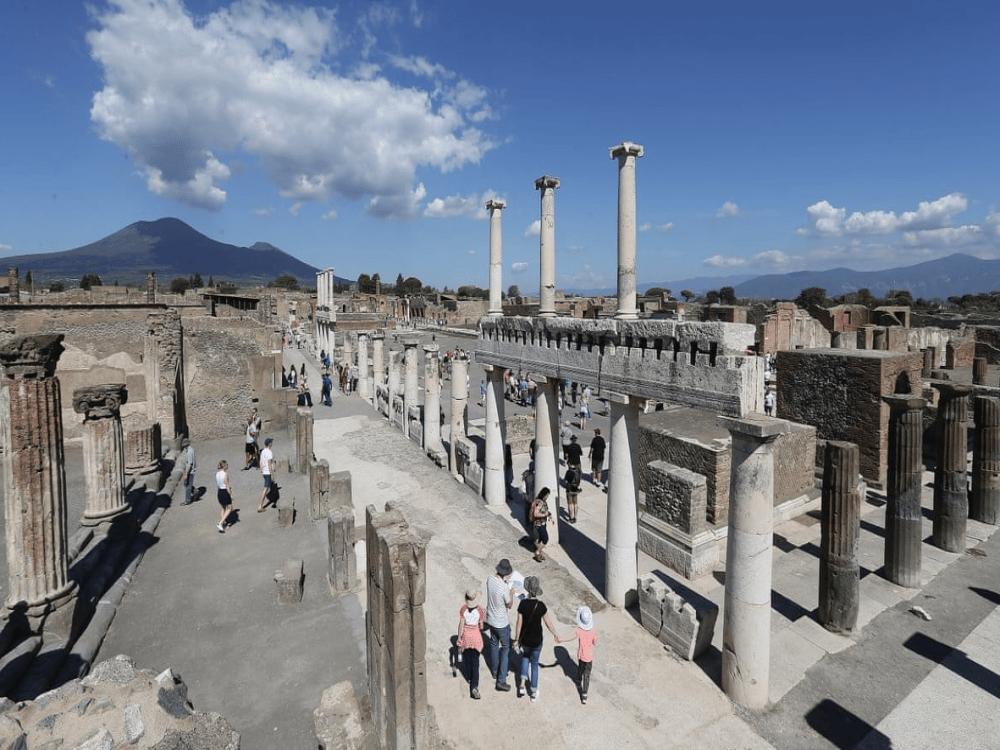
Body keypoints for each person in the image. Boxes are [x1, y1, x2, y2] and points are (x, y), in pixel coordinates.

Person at [513, 576, 560, 701]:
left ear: (527, 590)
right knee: (534, 664)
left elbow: (519, 623)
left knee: (525, 658)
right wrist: (555, 633)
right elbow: (548, 622)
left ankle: (521, 686)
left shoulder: (522, 604)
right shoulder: (541, 606)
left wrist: (517, 639)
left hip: (525, 640)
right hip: (537, 640)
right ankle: (533, 692)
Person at [484, 559, 514, 692]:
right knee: (506, 648)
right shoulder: (504, 588)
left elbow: (495, 588)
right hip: (502, 623)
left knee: (494, 644)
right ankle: (501, 680)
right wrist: (511, 592)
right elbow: (509, 604)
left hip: (490, 619)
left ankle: (495, 672)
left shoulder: (490, 579)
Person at [558, 606, 598, 704]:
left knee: (580, 668)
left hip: (581, 655)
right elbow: (595, 642)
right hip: (589, 657)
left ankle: (578, 680)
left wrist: (561, 639)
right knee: (587, 675)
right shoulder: (593, 630)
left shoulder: (579, 630)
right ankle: (584, 694)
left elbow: (571, 637)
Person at [456, 589, 486, 699]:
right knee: (475, 662)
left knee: (467, 659)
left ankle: (469, 676)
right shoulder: (480, 610)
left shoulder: (463, 609)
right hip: (476, 638)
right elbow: (481, 627)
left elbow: (461, 624)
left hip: (466, 638)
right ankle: (474, 686)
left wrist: (459, 638)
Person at [530, 487, 552, 562]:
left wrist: (548, 515)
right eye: (547, 495)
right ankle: (537, 552)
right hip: (539, 524)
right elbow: (536, 514)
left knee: (541, 538)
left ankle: (539, 553)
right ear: (544, 494)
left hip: (543, 523)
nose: (547, 497)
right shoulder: (538, 502)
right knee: (545, 538)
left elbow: (544, 510)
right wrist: (545, 514)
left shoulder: (543, 502)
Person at [215, 460, 235, 533]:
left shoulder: (217, 474)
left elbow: (218, 484)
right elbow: (227, 485)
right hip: (225, 492)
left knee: (223, 508)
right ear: (225, 466)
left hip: (219, 491)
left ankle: (224, 523)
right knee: (229, 508)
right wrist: (231, 494)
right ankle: (220, 523)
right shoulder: (225, 474)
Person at [258, 437, 275, 512]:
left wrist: (261, 469)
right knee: (266, 488)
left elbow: (260, 461)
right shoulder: (269, 452)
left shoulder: (263, 451)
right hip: (267, 472)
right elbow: (269, 464)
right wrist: (272, 474)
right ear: (270, 444)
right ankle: (260, 506)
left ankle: (261, 504)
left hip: (264, 472)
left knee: (267, 487)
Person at [181, 439, 196, 505]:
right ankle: (195, 491)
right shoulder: (189, 450)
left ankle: (188, 500)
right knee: (187, 484)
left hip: (190, 471)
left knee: (188, 486)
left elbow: (189, 465)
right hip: (189, 470)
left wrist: (186, 474)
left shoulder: (190, 452)